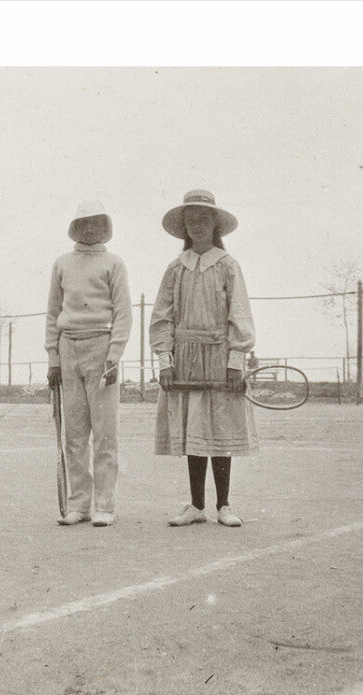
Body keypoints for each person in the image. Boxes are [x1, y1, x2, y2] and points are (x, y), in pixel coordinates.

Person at [150, 190, 258, 528]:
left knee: (220, 426)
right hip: (184, 357)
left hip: (220, 355)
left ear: (216, 225)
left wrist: (235, 362)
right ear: (184, 227)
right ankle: (196, 506)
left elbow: (239, 313)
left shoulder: (228, 266)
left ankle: (223, 505)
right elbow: (162, 316)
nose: (196, 225)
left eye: (203, 218)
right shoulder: (174, 269)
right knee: (194, 426)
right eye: (190, 220)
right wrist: (165, 360)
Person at [45, 200, 132, 527]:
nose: (89, 229)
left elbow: (123, 312)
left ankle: (104, 505)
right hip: (68, 348)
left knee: (105, 432)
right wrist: (53, 357)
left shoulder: (114, 263)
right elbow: (53, 313)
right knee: (75, 432)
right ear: (76, 228)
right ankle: (78, 504)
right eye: (83, 223)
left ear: (104, 226)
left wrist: (114, 356)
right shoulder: (62, 263)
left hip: (101, 347)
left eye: (95, 223)